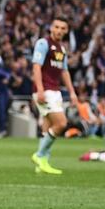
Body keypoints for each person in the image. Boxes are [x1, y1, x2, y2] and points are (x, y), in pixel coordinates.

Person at [30, 17, 80, 175]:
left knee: (47, 125)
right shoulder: (43, 43)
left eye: (62, 28)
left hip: (56, 91)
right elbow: (36, 67)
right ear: (51, 28)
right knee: (61, 124)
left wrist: (72, 92)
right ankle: (39, 156)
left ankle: (42, 164)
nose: (59, 30)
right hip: (46, 90)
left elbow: (64, 71)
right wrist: (40, 89)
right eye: (56, 27)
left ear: (66, 31)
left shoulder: (62, 48)